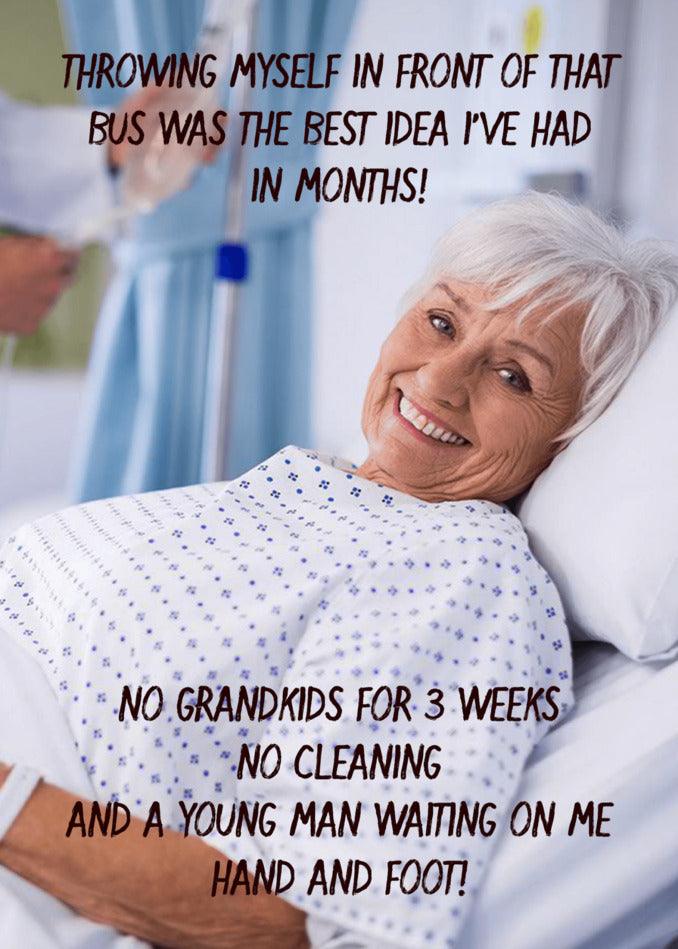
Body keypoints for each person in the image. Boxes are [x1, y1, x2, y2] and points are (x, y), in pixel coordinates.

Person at [0, 193, 676, 949]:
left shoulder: (459, 571)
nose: (442, 379)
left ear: (572, 438)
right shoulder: (324, 489)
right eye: (442, 321)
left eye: (514, 376)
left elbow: (285, 914)